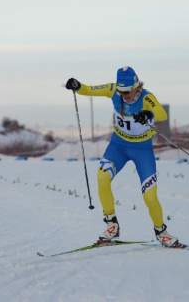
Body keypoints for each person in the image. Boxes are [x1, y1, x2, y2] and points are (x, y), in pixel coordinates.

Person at [65, 66, 179, 247]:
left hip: (142, 149)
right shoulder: (113, 90)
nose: (124, 95)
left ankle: (161, 232)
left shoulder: (146, 97)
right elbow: (88, 89)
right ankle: (112, 224)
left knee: (150, 196)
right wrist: (77, 85)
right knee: (102, 177)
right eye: (121, 91)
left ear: (136, 86)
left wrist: (148, 113)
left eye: (127, 91)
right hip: (118, 146)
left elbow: (161, 113)